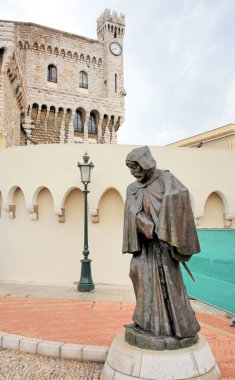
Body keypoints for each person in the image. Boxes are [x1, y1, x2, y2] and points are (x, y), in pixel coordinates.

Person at [123, 146, 201, 350]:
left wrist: (167, 231)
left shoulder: (166, 179)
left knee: (167, 282)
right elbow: (131, 211)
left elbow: (179, 199)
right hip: (145, 245)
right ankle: (144, 322)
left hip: (164, 246)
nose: (133, 172)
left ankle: (175, 329)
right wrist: (146, 224)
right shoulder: (132, 188)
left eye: (135, 167)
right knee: (136, 273)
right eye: (130, 168)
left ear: (145, 163)